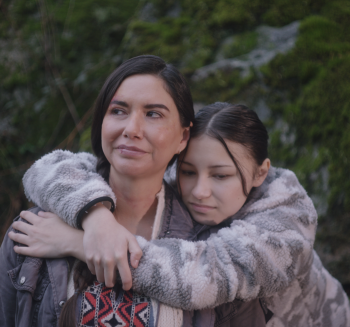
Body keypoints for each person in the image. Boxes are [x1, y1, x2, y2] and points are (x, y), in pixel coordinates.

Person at [9, 99, 350, 326]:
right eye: (189, 172)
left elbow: (205, 275)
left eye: (221, 175)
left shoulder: (287, 222)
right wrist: (96, 217)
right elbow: (52, 168)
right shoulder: (173, 177)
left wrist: (81, 243)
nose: (199, 190)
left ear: (261, 172)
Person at [0, 56, 267, 327]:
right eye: (118, 111)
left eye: (153, 114)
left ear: (183, 137)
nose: (132, 129)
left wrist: (79, 243)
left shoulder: (214, 252)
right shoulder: (35, 231)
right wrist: (95, 219)